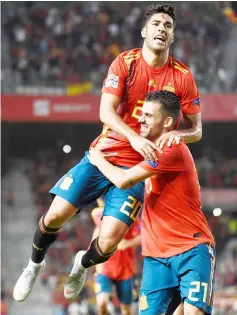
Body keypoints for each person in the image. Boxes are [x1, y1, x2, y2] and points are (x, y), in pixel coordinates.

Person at [13, 3, 202, 303]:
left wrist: (176, 133)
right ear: (144, 31)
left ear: (173, 35)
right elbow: (105, 111)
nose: (161, 29)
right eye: (156, 24)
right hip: (105, 155)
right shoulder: (125, 63)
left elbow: (196, 129)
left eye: (167, 25)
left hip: (140, 168)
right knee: (54, 217)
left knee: (110, 241)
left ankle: (81, 264)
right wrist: (133, 137)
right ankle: (34, 265)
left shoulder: (181, 76)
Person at [88, 90, 216, 315]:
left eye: (148, 115)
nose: (140, 119)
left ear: (167, 121)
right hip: (156, 255)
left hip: (191, 249)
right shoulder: (148, 151)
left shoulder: (170, 149)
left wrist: (96, 158)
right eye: (142, 114)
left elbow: (123, 180)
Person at [91, 197, 141, 315]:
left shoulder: (131, 217)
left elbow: (143, 235)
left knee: (127, 310)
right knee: (102, 305)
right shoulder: (98, 213)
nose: (100, 202)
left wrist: (128, 243)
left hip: (125, 270)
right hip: (105, 269)